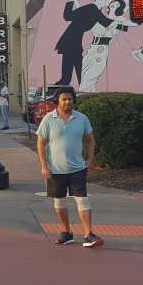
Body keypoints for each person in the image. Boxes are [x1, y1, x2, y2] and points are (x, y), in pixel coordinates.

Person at [36, 87, 103, 248]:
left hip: (77, 169)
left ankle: (88, 234)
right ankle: (66, 233)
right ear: (57, 101)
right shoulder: (48, 119)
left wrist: (90, 159)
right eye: (64, 99)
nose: (68, 102)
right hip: (55, 170)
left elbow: (90, 140)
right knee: (59, 203)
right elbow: (40, 143)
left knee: (83, 200)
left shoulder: (81, 118)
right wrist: (44, 166)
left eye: (70, 99)